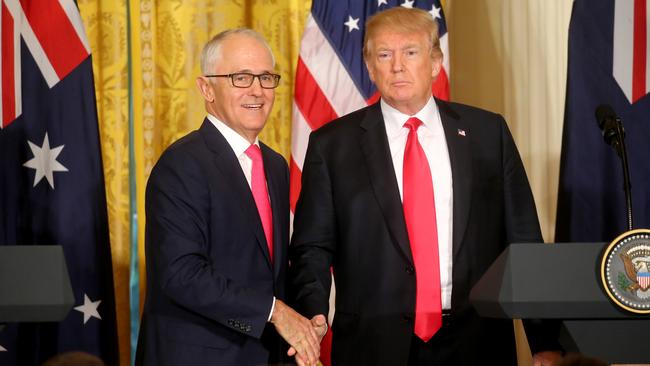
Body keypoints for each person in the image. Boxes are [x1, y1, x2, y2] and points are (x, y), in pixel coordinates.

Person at [289, 7, 562, 366]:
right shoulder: (332, 145)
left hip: (477, 342)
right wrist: (312, 317)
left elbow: (523, 242)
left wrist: (544, 341)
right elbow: (312, 248)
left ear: (435, 62)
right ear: (370, 68)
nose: (397, 66)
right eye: (384, 55)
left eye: (411, 52)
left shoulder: (486, 134)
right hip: (372, 346)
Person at [135, 28, 321, 366]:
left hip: (263, 355)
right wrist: (276, 312)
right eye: (240, 77)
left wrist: (308, 317)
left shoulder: (275, 166)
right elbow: (181, 274)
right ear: (206, 88)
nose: (257, 90)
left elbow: (265, 272)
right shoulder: (182, 163)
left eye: (266, 78)